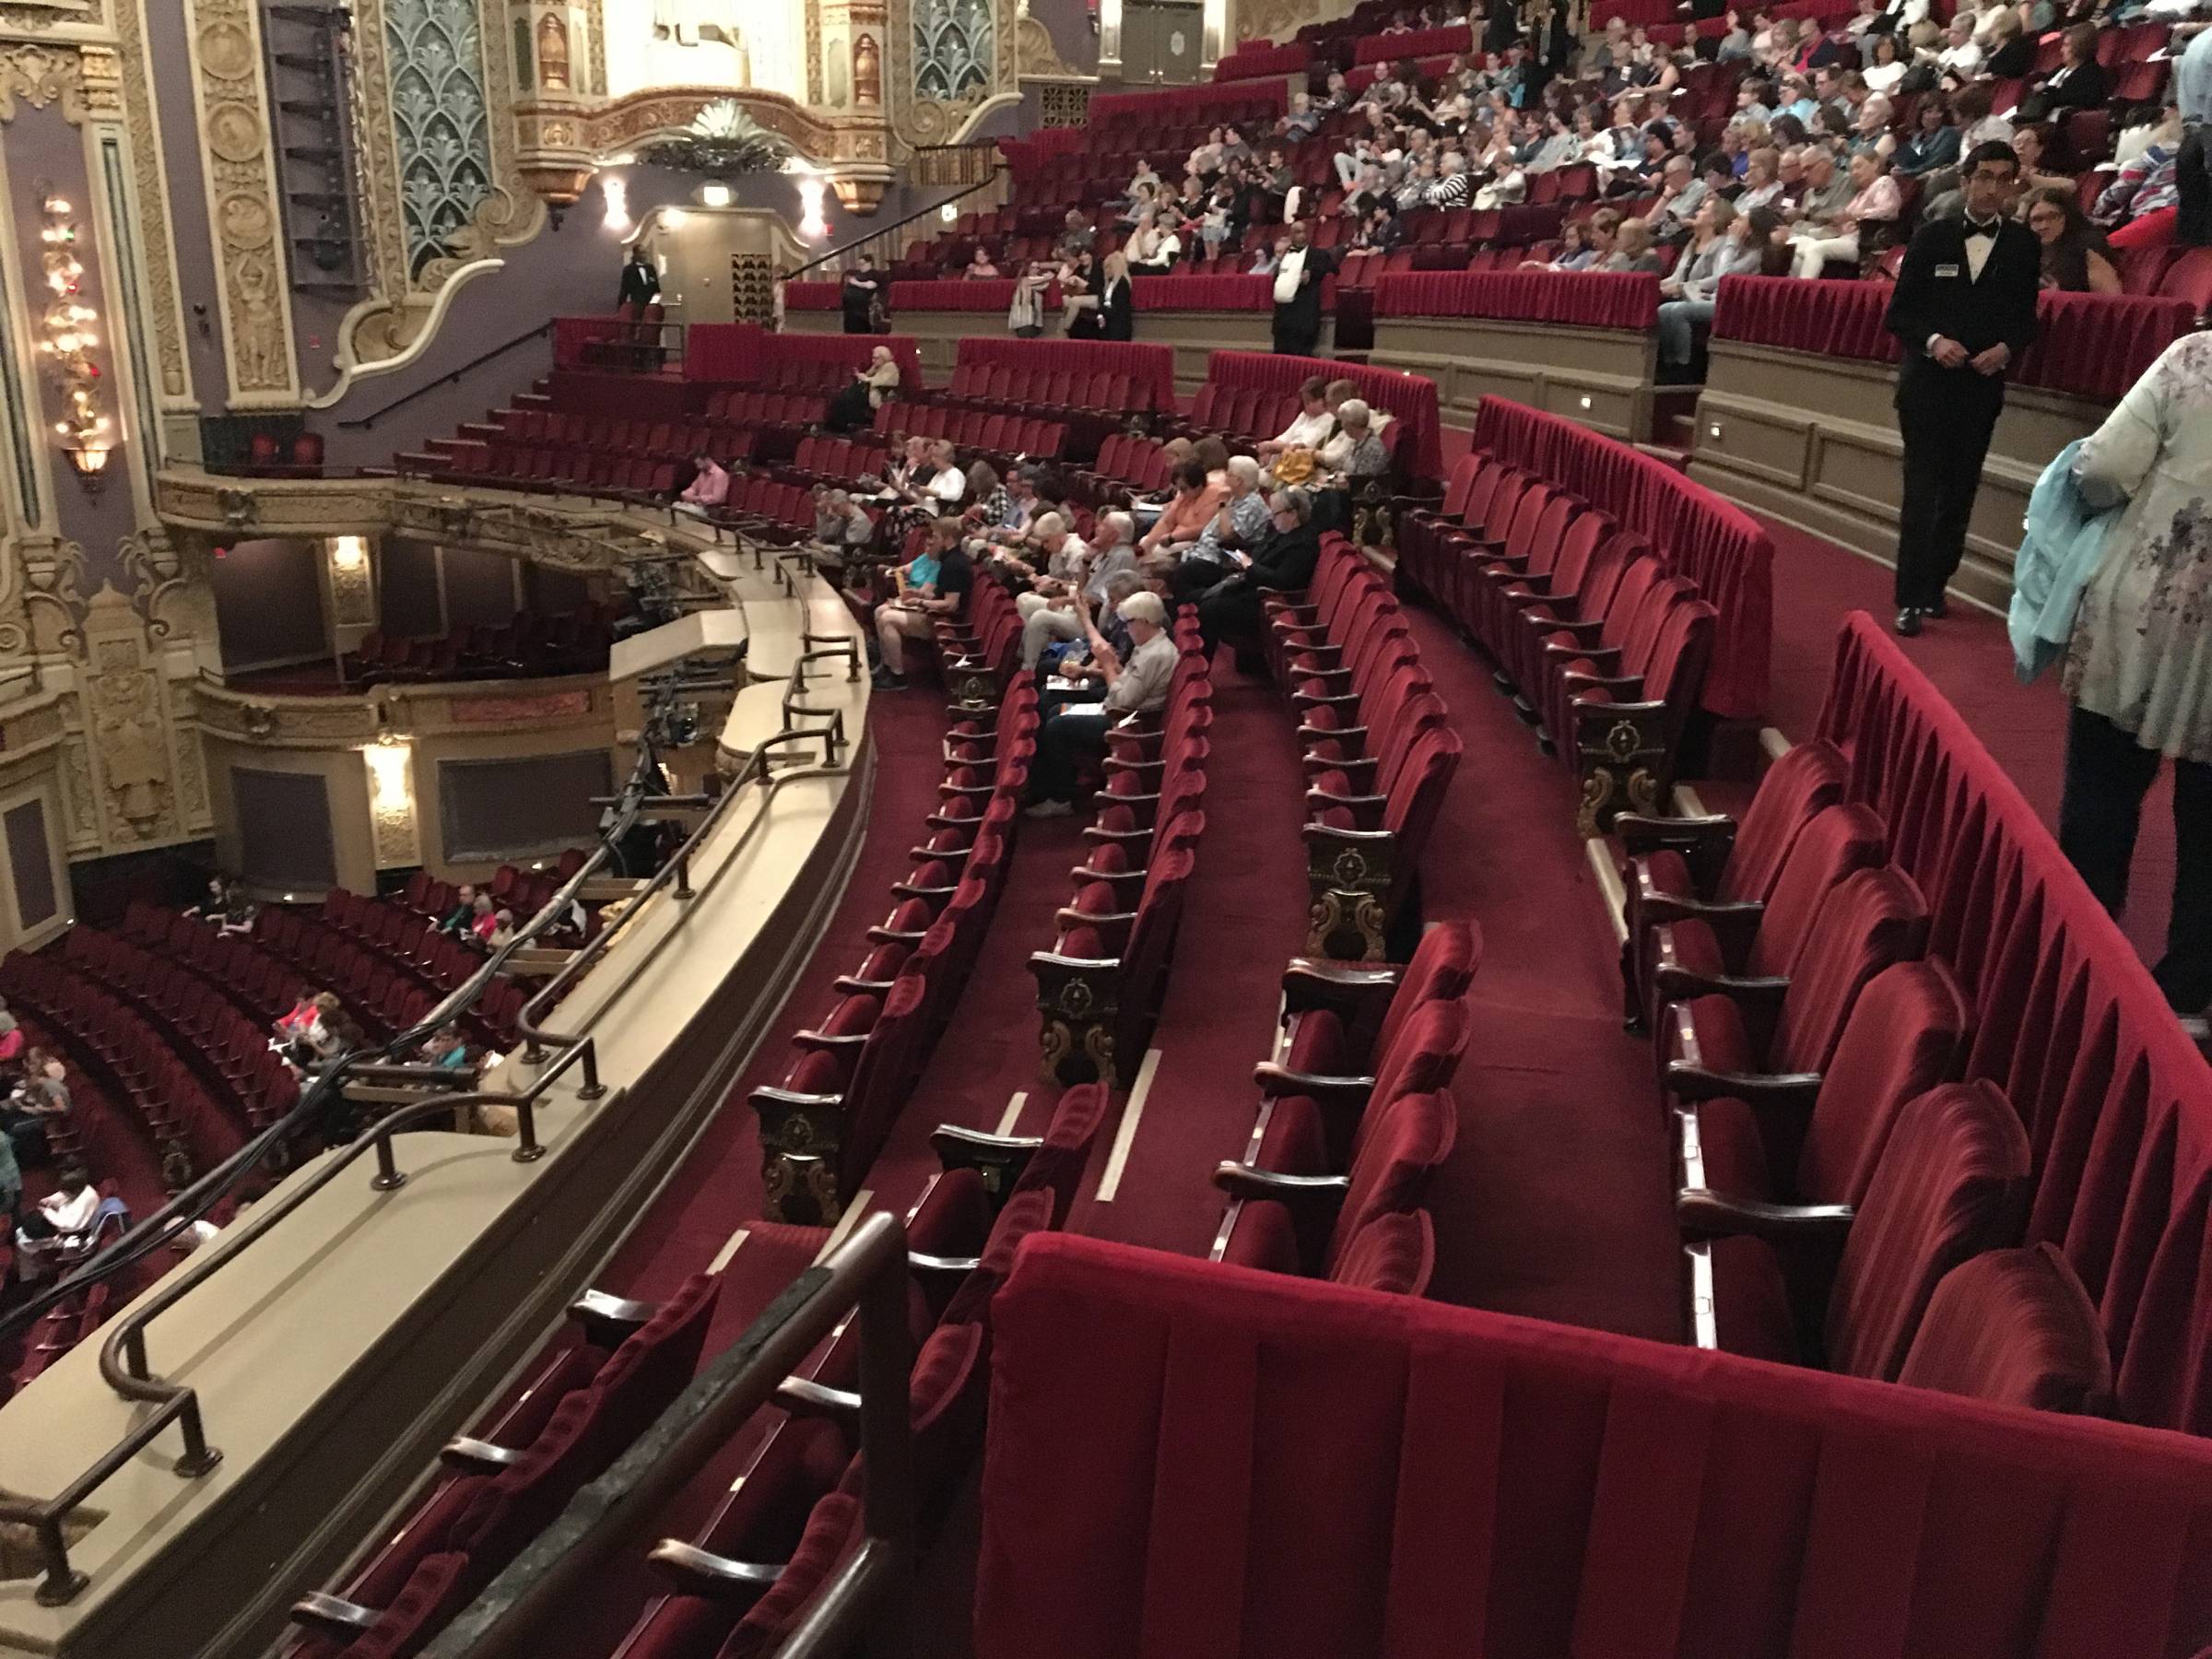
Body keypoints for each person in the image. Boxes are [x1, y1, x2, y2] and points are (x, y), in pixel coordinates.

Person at [2056, 330, 2212, 1031]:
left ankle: (2078, 954)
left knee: (2102, 793)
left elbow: (2105, 470)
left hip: (2148, 611)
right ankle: (2188, 994)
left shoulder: (2192, 358)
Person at [1884, 140, 2041, 636]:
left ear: (2013, 185)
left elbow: (2026, 319)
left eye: (2004, 178)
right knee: (1922, 491)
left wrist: (2007, 348)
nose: (1994, 187)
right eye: (1985, 176)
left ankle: (1936, 588)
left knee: (1960, 492)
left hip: (1981, 386)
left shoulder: (2023, 244)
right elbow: (1899, 315)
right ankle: (1908, 598)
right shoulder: (1932, 237)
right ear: (1967, 180)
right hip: (1928, 383)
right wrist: (1933, 342)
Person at [1024, 591, 1181, 818]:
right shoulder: (1150, 645)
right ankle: (1042, 785)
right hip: (1123, 709)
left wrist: (1108, 665)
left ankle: (1061, 797)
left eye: (1129, 623)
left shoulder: (1155, 654)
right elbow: (1126, 680)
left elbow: (1122, 700)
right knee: (1054, 707)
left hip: (1130, 720)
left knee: (1058, 725)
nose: (1126, 629)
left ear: (1144, 622)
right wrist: (1108, 667)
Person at [1194, 488, 1324, 668]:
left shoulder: (1303, 544)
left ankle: (1201, 668)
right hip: (1251, 588)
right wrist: (1242, 559)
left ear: (1293, 513)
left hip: (1267, 602)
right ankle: (1190, 665)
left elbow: (1282, 581)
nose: (1272, 518)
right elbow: (1260, 550)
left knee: (1209, 609)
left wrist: (1250, 566)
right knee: (1195, 596)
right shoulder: (1281, 530)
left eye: (1276, 513)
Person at [1658, 200, 1768, 377]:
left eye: (1740, 220)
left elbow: (1723, 277)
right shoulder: (1735, 247)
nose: (1733, 223)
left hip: (1734, 306)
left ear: (1749, 229)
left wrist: (1732, 241)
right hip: (1714, 298)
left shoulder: (1753, 253)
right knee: (1664, 310)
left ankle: (1683, 367)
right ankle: (1667, 363)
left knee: (1677, 310)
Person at [874, 517, 971, 689]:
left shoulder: (954, 564)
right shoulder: (948, 559)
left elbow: (951, 605)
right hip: (933, 612)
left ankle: (898, 676)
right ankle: (887, 666)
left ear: (947, 539)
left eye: (936, 536)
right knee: (880, 611)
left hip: (943, 621)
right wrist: (920, 596)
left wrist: (920, 601)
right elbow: (938, 594)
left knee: (888, 618)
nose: (933, 540)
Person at [1788, 147, 1900, 276]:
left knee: (1815, 249)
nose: (1855, 172)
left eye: (1859, 166)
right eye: (1852, 169)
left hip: (1863, 241)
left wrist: (1855, 217)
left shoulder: (1884, 182)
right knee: (1797, 244)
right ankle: (1794, 290)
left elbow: (1888, 210)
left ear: (1874, 164)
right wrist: (1841, 220)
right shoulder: (1862, 193)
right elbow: (1846, 217)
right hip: (1845, 237)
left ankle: (1805, 292)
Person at [2026, 186, 2122, 292]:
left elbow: (2112, 300)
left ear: (2067, 217)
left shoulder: (2086, 249)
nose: (2044, 226)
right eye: (2037, 219)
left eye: (2053, 217)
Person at [1270, 221, 1333, 358]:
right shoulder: (1284, 255)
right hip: (1283, 319)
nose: (1302, 235)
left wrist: (1311, 272)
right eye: (1298, 232)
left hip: (1303, 317)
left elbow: (1331, 268)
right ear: (1291, 235)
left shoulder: (1318, 255)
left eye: (1304, 231)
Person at [827, 345, 900, 434]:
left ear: (884, 358)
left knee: (845, 400)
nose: (873, 361)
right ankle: (834, 428)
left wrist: (864, 378)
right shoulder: (876, 367)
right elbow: (867, 378)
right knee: (839, 400)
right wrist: (860, 376)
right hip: (866, 393)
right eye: (873, 358)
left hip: (877, 396)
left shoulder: (890, 367)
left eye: (876, 358)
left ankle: (839, 428)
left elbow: (881, 381)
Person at [676, 452, 729, 519]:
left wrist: (696, 498)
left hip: (710, 509)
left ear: (707, 460)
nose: (698, 467)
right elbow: (694, 488)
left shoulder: (720, 474)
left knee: (681, 512)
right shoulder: (702, 473)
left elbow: (717, 498)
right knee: (675, 506)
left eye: (699, 464)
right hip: (699, 505)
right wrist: (686, 494)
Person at [841, 253, 885, 334]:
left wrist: (856, 283)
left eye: (862, 264)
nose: (860, 266)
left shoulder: (875, 274)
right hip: (849, 304)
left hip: (863, 301)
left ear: (869, 263)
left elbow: (870, 285)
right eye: (859, 264)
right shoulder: (857, 274)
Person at [618, 246, 659, 315]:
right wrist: (621, 309)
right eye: (642, 253)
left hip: (651, 308)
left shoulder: (650, 268)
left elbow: (656, 289)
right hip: (636, 307)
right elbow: (624, 290)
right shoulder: (629, 270)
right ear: (636, 254)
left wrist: (654, 303)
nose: (644, 255)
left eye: (645, 253)